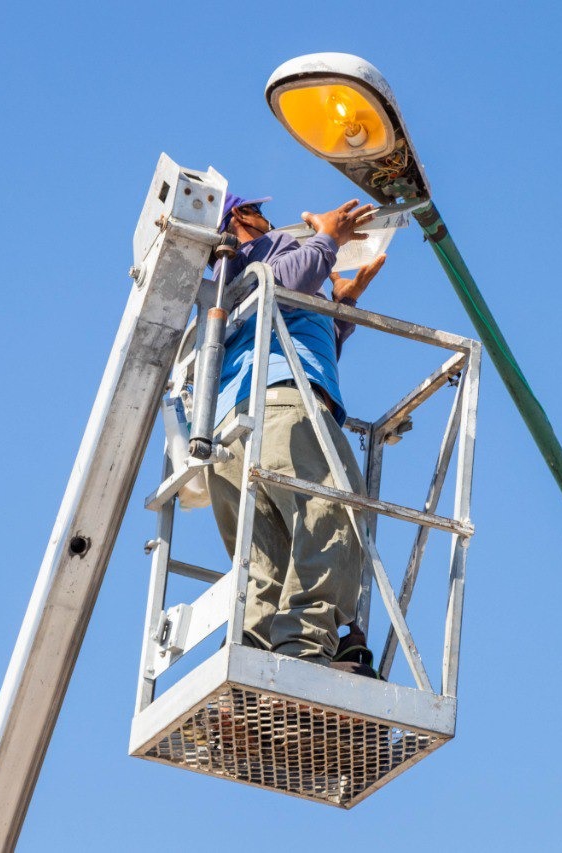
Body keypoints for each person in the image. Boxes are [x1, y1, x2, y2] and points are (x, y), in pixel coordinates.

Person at [204, 192, 386, 677]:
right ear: (238, 217)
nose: (268, 218)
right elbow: (284, 280)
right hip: (282, 405)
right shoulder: (257, 258)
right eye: (258, 212)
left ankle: (251, 668)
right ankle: (303, 656)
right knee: (331, 517)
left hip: (232, 426)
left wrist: (341, 308)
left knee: (268, 560)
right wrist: (327, 237)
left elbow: (300, 330)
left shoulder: (226, 291)